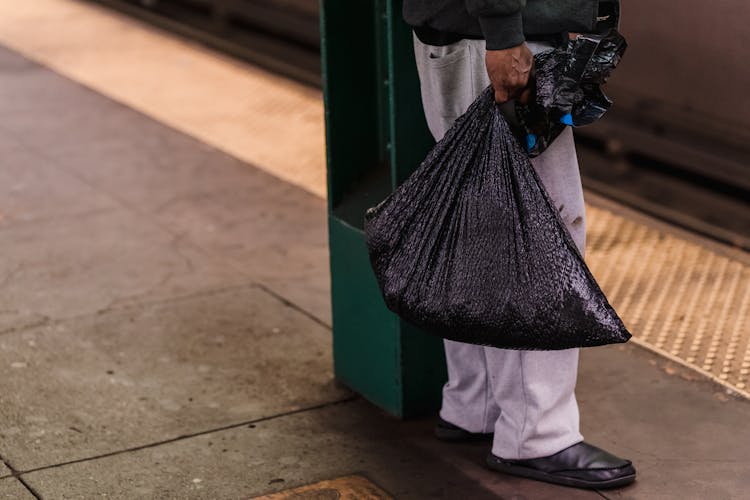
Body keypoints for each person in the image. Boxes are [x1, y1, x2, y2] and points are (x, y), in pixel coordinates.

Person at [403, 0, 637, 490]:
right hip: (500, 40)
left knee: (477, 223)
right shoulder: (502, 37)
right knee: (540, 232)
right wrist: (504, 34)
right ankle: (537, 435)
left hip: (464, 34)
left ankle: (475, 403)